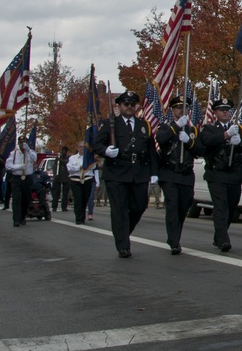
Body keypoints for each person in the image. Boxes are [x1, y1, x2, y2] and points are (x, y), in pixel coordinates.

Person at [94, 89, 158, 258]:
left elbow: (151, 150)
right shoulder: (110, 124)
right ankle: (123, 245)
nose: (129, 107)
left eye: (132, 104)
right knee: (120, 209)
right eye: (126, 104)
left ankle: (122, 232)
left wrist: (154, 171)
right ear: (119, 106)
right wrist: (106, 150)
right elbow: (97, 145)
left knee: (140, 205)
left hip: (139, 171)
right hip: (117, 171)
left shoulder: (144, 125)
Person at [156, 96, 205, 254]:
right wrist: (177, 127)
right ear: (172, 110)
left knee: (184, 205)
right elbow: (161, 139)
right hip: (169, 173)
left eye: (185, 108)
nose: (181, 110)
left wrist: (189, 142)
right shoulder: (166, 127)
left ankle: (175, 235)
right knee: (172, 205)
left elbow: (200, 151)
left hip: (186, 174)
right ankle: (174, 240)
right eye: (178, 107)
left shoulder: (193, 131)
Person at [200, 97, 242, 252]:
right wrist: (226, 135)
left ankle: (218, 236)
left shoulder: (238, 129)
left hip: (234, 174)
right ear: (215, 113)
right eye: (222, 110)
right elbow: (208, 141)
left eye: (227, 109)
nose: (225, 112)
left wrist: (240, 142)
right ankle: (223, 240)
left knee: (231, 207)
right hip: (217, 174)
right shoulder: (210, 129)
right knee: (221, 207)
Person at [5, 135, 37, 227]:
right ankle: (16, 219)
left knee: (26, 199)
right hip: (17, 178)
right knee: (16, 199)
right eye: (20, 142)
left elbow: (35, 159)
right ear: (18, 143)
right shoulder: (13, 153)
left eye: (24, 142)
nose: (22, 144)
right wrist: (19, 167)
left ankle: (23, 216)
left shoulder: (30, 153)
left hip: (27, 178)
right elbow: (8, 165)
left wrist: (28, 150)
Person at [66, 142, 97, 224]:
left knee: (85, 199)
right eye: (80, 147)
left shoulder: (90, 158)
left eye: (83, 147)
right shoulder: (72, 158)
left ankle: (82, 216)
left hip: (87, 179)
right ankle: (79, 218)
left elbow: (94, 167)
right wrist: (79, 167)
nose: (82, 148)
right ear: (77, 148)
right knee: (78, 198)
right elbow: (70, 168)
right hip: (75, 180)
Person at [51, 146, 71, 212]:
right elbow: (54, 167)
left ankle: (64, 207)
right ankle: (54, 207)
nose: (63, 152)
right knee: (56, 192)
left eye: (65, 150)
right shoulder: (58, 158)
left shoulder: (68, 158)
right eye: (63, 150)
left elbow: (67, 163)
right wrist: (55, 175)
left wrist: (61, 160)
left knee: (65, 193)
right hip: (58, 177)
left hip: (65, 177)